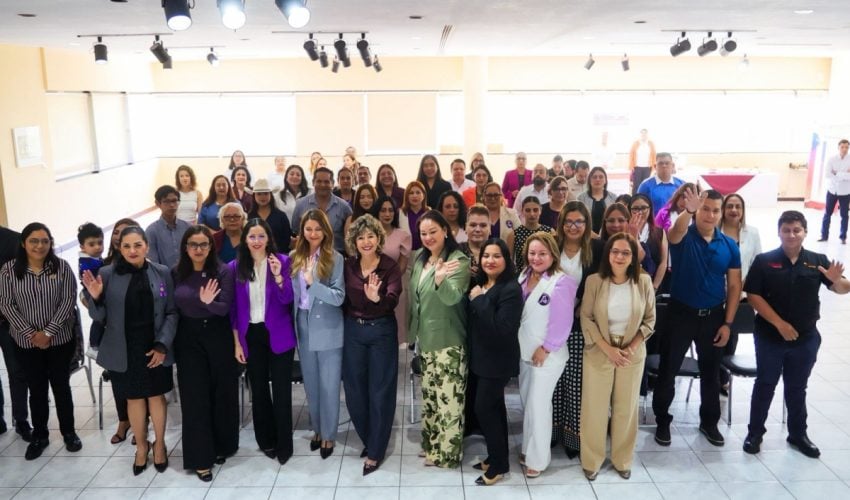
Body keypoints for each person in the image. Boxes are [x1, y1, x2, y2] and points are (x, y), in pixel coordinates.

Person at [743, 210, 850, 458]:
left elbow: (841, 288)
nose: (791, 235)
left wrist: (836, 281)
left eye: (796, 230)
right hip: (771, 336)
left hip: (805, 339)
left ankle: (798, 434)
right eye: (786, 230)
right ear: (779, 232)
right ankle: (755, 433)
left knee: (797, 387)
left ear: (804, 232)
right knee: (765, 384)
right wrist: (780, 324)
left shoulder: (817, 260)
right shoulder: (764, 261)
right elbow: (755, 297)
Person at [82, 226, 176, 474]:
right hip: (125, 347)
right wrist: (96, 298)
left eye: (137, 245)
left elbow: (171, 312)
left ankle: (160, 445)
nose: (132, 250)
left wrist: (162, 344)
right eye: (126, 246)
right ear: (118, 248)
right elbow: (98, 316)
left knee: (156, 396)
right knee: (134, 398)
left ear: (146, 246)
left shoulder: (162, 272)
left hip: (155, 345)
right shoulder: (107, 273)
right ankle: (142, 446)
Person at [652, 188, 742, 447]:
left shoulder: (729, 245)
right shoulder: (684, 235)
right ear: (697, 210)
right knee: (668, 370)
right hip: (681, 313)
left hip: (714, 317)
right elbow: (675, 231)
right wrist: (687, 211)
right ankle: (662, 421)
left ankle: (709, 422)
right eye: (705, 209)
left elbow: (734, 285)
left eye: (715, 210)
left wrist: (728, 323)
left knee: (711, 373)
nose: (710, 215)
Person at [0, 223, 81, 460]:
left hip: (59, 341)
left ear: (51, 243)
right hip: (25, 343)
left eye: (45, 241)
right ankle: (40, 436)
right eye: (34, 241)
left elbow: (68, 301)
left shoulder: (61, 267)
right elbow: (6, 304)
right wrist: (31, 334)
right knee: (36, 389)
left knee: (61, 387)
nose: (39, 246)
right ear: (23, 243)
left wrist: (48, 333)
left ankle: (69, 433)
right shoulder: (8, 270)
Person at [579, 233, 655, 481]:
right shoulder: (594, 281)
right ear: (607, 254)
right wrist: (607, 348)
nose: (619, 257)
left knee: (626, 409)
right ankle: (592, 460)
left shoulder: (643, 282)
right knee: (595, 409)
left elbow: (650, 320)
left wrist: (631, 347)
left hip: (631, 353)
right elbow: (586, 318)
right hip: (600, 350)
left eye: (626, 253)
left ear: (633, 257)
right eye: (615, 251)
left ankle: (622, 459)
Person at [173, 226, 238, 482]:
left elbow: (224, 309)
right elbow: (173, 305)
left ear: (211, 247)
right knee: (195, 397)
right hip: (188, 338)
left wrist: (208, 301)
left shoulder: (222, 271)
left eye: (203, 244)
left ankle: (221, 446)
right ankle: (201, 458)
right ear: (186, 247)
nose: (198, 249)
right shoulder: (176, 272)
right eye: (193, 244)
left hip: (217, 334)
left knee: (221, 393)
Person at [230, 218, 295, 464]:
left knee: (281, 390)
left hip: (278, 334)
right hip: (251, 336)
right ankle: (265, 440)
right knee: (258, 389)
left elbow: (288, 299)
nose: (256, 241)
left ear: (268, 238)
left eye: (261, 236)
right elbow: (234, 311)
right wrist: (237, 343)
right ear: (245, 240)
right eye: (252, 237)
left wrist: (279, 277)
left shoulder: (284, 262)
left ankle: (284, 444)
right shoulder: (235, 267)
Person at [408, 210, 471, 468]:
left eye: (433, 231)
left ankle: (447, 455)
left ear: (446, 230)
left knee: (450, 402)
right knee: (432, 397)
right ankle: (432, 445)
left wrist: (441, 278)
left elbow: (452, 298)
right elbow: (416, 300)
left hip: (449, 339)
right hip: (425, 338)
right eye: (423, 233)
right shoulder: (420, 258)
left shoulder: (458, 261)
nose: (428, 237)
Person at [342, 214, 403, 475]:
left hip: (381, 332)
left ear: (378, 238)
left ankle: (376, 451)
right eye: (360, 237)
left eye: (370, 236)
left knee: (380, 392)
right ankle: (370, 438)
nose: (366, 241)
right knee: (355, 391)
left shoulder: (389, 266)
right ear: (353, 241)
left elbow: (393, 298)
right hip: (354, 331)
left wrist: (377, 298)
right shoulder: (348, 266)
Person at [517, 232, 577, 478]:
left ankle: (538, 459)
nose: (536, 257)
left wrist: (547, 348)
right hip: (524, 351)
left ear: (553, 254)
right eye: (532, 253)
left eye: (542, 253)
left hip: (547, 355)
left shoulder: (563, 282)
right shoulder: (523, 276)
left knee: (538, 405)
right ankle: (527, 449)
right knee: (527, 403)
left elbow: (563, 322)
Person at [466, 238, 523, 486]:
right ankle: (496, 457)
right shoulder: (481, 282)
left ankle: (498, 464)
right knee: (495, 409)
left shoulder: (511, 288)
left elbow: (503, 328)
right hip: (481, 357)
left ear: (506, 260)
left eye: (496, 256)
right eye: (486, 256)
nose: (489, 260)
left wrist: (479, 300)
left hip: (497, 360)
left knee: (484, 409)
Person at [291, 209, 345, 459]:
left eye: (318, 229)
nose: (313, 234)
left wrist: (314, 284)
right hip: (302, 323)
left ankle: (329, 434)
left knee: (329, 384)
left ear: (326, 231)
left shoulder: (335, 258)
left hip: (328, 325)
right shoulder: (294, 257)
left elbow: (338, 297)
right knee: (311, 384)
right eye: (308, 229)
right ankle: (317, 429)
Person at [551, 201, 603, 458]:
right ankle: (552, 433)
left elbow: (599, 286)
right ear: (561, 224)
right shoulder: (551, 246)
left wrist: (580, 306)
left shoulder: (596, 248)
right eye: (568, 221)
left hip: (579, 326)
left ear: (586, 225)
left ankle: (573, 439)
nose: (573, 227)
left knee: (574, 381)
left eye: (579, 222)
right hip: (550, 325)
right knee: (553, 380)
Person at [99, 218, 140, 445]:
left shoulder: (145, 265)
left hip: (138, 333)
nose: (121, 236)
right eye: (117, 232)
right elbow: (92, 303)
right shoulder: (104, 267)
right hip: (113, 333)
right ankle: (124, 420)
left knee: (140, 383)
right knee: (119, 380)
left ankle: (141, 424)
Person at [0, 224, 31, 441]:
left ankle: (21, 421)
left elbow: (24, 280)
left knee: (17, 371)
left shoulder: (13, 240)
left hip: (8, 320)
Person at [291, 167, 353, 254]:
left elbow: (350, 235)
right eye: (319, 181)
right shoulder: (300, 205)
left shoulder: (344, 207)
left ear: (332, 183)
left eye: (326, 182)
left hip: (336, 257)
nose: (323, 185)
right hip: (308, 256)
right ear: (313, 182)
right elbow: (295, 230)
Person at [375, 196, 412, 344]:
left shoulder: (403, 235)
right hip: (370, 287)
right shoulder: (368, 233)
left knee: (393, 334)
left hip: (393, 289)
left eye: (390, 210)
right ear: (377, 212)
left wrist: (387, 283)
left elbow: (402, 266)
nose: (387, 214)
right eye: (383, 210)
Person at [145, 185, 191, 268]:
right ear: (158, 203)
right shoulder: (151, 231)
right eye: (166, 201)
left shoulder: (187, 227)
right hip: (163, 278)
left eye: (174, 201)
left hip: (187, 276)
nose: (172, 205)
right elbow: (153, 263)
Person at [720, 194, 762, 283]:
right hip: (717, 290)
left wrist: (743, 285)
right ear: (723, 210)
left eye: (738, 207)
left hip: (744, 290)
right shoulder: (713, 231)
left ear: (743, 211)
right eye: (729, 206)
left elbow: (757, 264)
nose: (734, 210)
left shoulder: (753, 233)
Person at [629, 194, 668, 290]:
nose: (640, 212)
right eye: (635, 208)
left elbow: (663, 262)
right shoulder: (625, 230)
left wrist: (654, 286)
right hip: (629, 284)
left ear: (650, 209)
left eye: (644, 208)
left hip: (652, 284)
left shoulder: (659, 232)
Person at [507, 196, 553, 271]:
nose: (532, 214)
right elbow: (509, 262)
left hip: (544, 277)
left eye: (535, 210)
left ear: (540, 210)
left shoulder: (549, 232)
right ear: (522, 211)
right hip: (522, 277)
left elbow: (554, 257)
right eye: (528, 210)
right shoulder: (514, 234)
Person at [248, 179, 292, 254]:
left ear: (270, 195)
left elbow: (287, 240)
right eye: (259, 194)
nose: (262, 197)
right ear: (254, 196)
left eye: (266, 193)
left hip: (278, 257)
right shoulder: (249, 217)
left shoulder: (281, 216)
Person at [819, 139, 850, 243]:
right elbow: (827, 174)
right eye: (842, 147)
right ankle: (824, 236)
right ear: (838, 147)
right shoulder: (832, 159)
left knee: (844, 215)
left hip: (845, 192)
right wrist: (844, 174)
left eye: (847, 147)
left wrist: (836, 173)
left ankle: (843, 237)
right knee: (827, 214)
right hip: (832, 190)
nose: (845, 149)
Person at [637, 153, 684, 217]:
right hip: (653, 226)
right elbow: (638, 209)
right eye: (660, 163)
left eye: (667, 163)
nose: (664, 166)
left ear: (673, 166)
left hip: (677, 225)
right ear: (655, 166)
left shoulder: (682, 185)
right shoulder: (645, 186)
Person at [578, 167, 618, 235]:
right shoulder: (581, 198)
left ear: (605, 180)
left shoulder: (613, 198)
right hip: (587, 236)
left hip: (609, 236)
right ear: (589, 180)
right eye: (594, 177)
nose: (598, 179)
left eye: (601, 177)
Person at [460, 205, 492, 278]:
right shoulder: (455, 252)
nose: (477, 229)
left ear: (490, 228)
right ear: (466, 227)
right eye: (473, 225)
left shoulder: (499, 252)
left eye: (483, 225)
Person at [399, 181, 429, 251]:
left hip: (426, 254)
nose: (414, 196)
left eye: (418, 192)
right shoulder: (401, 213)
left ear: (423, 195)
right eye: (411, 193)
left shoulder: (429, 213)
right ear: (406, 196)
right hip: (406, 256)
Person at [628, 129, 657, 194]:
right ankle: (634, 200)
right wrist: (631, 166)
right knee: (636, 185)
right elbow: (631, 155)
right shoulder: (635, 143)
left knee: (645, 185)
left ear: (647, 134)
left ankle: (644, 199)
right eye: (642, 133)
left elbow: (654, 155)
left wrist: (654, 167)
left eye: (645, 133)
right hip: (637, 167)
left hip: (647, 167)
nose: (644, 135)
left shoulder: (651, 144)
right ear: (640, 134)